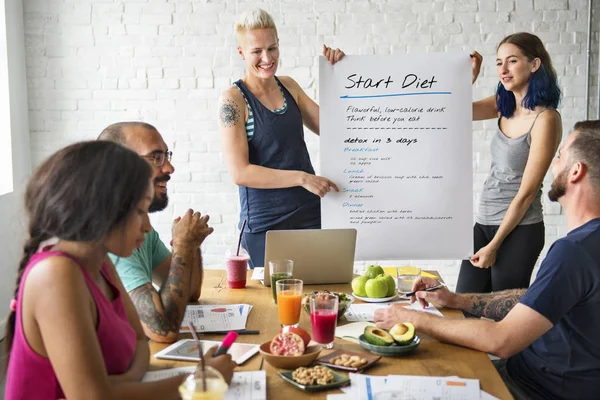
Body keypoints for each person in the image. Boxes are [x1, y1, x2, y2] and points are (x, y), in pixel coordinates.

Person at [375, 121, 600, 400]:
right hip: (530, 375)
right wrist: (456, 300)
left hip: (534, 388)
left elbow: (501, 340)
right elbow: (534, 301)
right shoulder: (587, 244)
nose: (553, 164)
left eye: (560, 156)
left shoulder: (574, 251)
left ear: (576, 172)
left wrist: (411, 317)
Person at [3, 141, 236, 399]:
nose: (147, 226)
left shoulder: (101, 263)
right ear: (101, 210)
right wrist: (198, 381)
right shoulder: (56, 276)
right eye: (140, 211)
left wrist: (117, 386)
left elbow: (140, 346)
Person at [218, 8, 344, 269]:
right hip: (266, 225)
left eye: (272, 48)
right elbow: (240, 173)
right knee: (272, 306)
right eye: (256, 51)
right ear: (241, 52)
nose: (267, 58)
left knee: (321, 299)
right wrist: (302, 177)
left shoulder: (289, 86)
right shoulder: (233, 100)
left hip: (310, 215)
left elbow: (335, 130)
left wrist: (340, 75)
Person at [457, 32, 563, 294]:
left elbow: (526, 193)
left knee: (502, 315)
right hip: (484, 220)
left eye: (512, 61)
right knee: (461, 305)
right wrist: (468, 78)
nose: (503, 69)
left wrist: (495, 245)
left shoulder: (546, 119)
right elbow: (453, 110)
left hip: (520, 229)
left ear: (534, 64)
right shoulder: (503, 105)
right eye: (498, 62)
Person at [99, 122, 213, 343]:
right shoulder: (114, 238)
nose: (169, 168)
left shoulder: (141, 228)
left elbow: (189, 292)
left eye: (166, 156)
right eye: (156, 157)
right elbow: (163, 331)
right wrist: (182, 246)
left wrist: (190, 245)